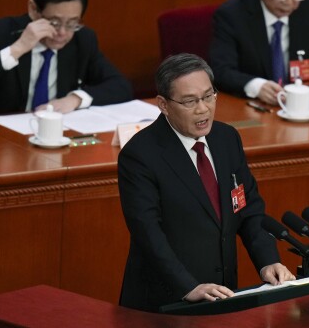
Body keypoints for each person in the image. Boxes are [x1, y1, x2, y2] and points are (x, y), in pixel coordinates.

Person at [118, 53, 295, 312]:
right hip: (165, 302)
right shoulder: (140, 155)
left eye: (208, 96)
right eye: (189, 101)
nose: (203, 109)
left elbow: (248, 209)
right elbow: (148, 234)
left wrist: (268, 261)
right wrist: (187, 286)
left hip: (221, 295)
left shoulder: (226, 138)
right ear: (163, 105)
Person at [0, 0, 132, 116]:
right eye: (54, 22)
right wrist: (18, 48)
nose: (62, 33)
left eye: (72, 23)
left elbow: (120, 86)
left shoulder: (83, 39)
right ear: (34, 10)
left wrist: (74, 99)